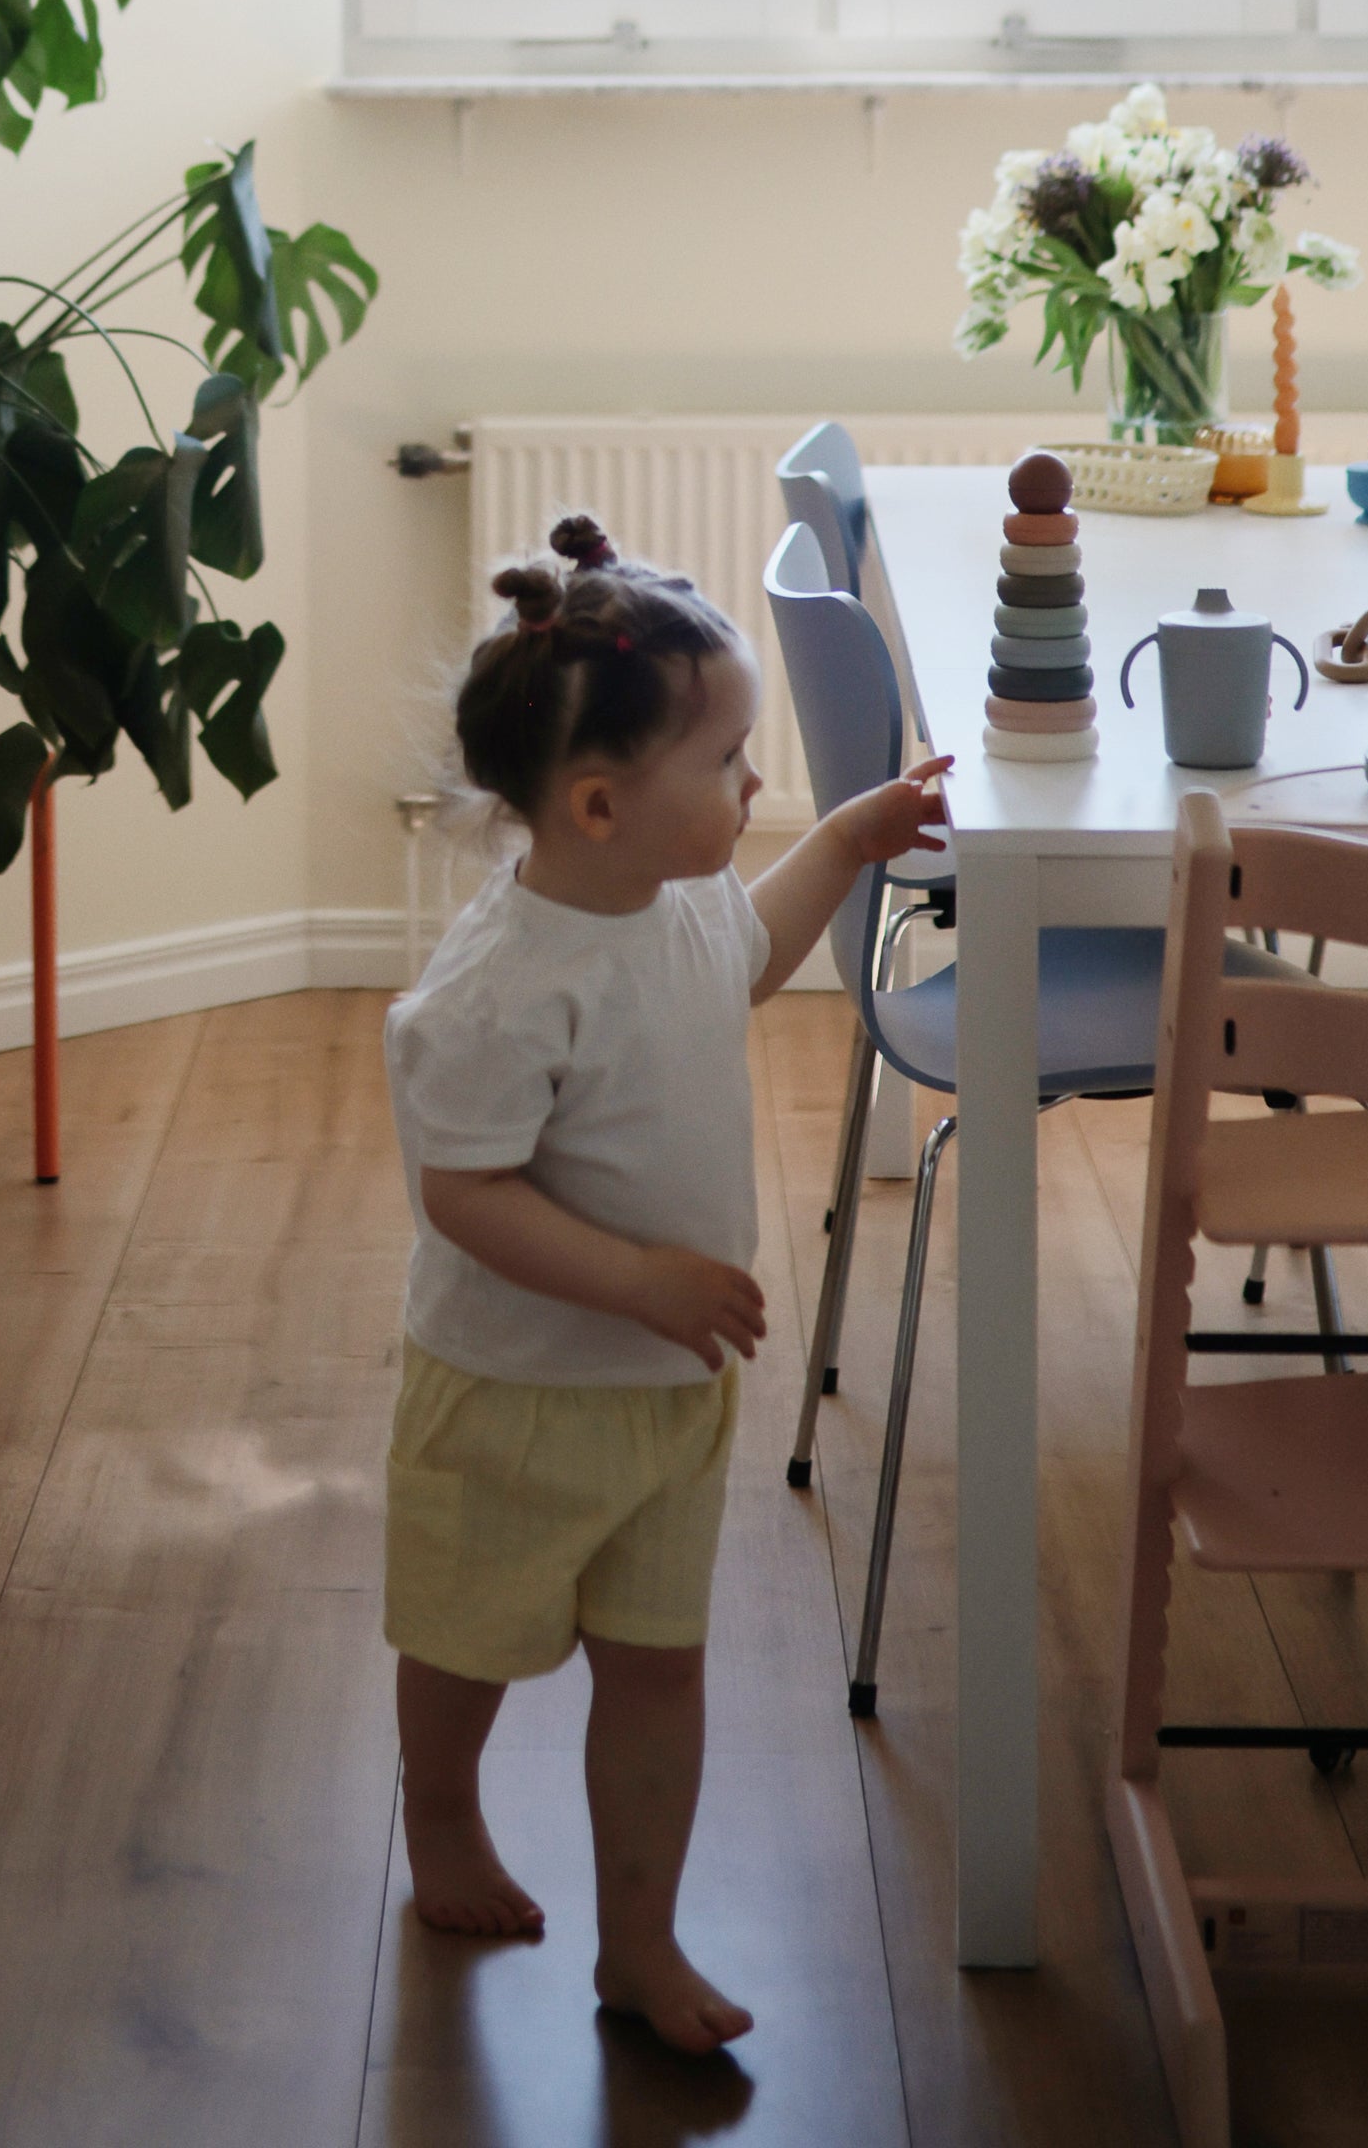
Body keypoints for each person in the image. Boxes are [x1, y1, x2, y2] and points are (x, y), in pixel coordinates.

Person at [383, 513, 950, 2055]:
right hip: (514, 1393)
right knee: (465, 1641)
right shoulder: (494, 993)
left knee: (658, 1671)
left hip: (665, 1392)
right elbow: (465, 1192)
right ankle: (440, 1821)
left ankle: (640, 1942)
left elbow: (745, 960)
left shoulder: (675, 904)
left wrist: (845, 838)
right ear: (595, 803)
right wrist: (633, 1279)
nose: (752, 786)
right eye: (729, 764)